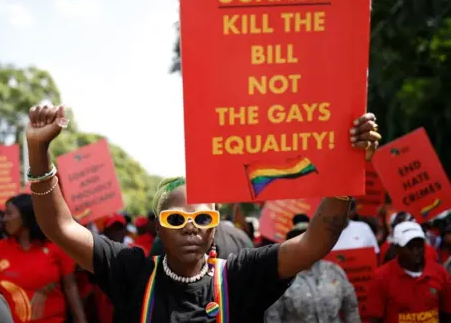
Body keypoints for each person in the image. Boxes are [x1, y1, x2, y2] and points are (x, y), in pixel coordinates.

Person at [24, 104, 380, 322]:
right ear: (159, 229)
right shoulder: (132, 273)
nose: (190, 228)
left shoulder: (241, 277)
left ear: (215, 226)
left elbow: (315, 243)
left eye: (202, 219)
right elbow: (58, 226)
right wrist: (38, 149)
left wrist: (346, 174)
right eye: (176, 219)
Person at [0, 194, 87, 323]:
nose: (4, 219)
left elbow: (70, 287)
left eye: (9, 214)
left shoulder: (55, 247)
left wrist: (81, 320)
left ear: (26, 216)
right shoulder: (0, 248)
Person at [265, 225, 360, 323]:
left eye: (311, 240)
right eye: (299, 241)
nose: (306, 246)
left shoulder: (334, 270)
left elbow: (351, 310)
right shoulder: (281, 277)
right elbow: (273, 317)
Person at [367, 221, 451, 323]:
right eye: (410, 247)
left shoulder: (439, 273)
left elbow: (447, 312)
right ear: (397, 248)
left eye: (420, 245)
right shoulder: (381, 277)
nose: (416, 251)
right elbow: (374, 318)